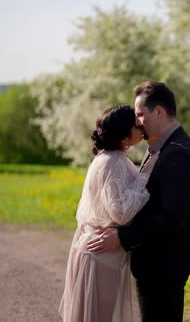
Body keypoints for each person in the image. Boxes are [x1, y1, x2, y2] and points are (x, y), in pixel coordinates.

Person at [87, 81, 190, 321]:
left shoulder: (177, 153)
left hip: (165, 262)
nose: (137, 121)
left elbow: (170, 217)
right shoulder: (160, 146)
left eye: (140, 114)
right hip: (155, 258)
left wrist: (121, 238)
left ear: (159, 112)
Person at [60, 105, 156, 322]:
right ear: (124, 136)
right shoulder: (112, 163)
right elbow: (120, 212)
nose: (141, 126)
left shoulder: (112, 158)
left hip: (100, 251)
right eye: (136, 124)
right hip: (101, 254)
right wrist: (145, 176)